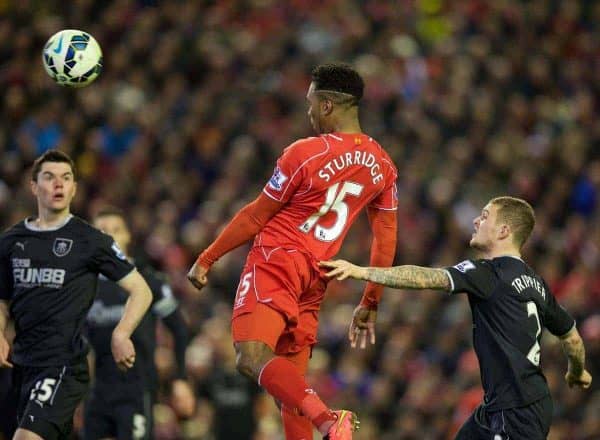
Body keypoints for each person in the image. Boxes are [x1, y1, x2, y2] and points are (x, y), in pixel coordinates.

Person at [187, 63, 398, 440]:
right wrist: (371, 301)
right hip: (316, 277)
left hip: (277, 260)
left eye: (311, 104)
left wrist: (207, 257)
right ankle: (322, 422)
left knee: (251, 357)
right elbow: (385, 240)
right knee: (292, 391)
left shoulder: (303, 153)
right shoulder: (383, 166)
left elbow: (256, 215)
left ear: (328, 105)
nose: (309, 113)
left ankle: (330, 421)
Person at [321, 196, 593, 439]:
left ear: (504, 231)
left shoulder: (489, 273)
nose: (476, 220)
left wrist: (362, 272)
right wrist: (577, 371)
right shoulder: (538, 284)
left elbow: (427, 277)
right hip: (503, 405)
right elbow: (571, 337)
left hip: (517, 411)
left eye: (485, 216)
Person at [0, 150, 153, 440]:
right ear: (33, 187)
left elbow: (141, 290)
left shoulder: (91, 241)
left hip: (63, 366)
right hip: (20, 366)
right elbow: (2, 300)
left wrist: (121, 333)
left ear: (74, 189)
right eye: (49, 177)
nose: (58, 184)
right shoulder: (10, 241)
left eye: (66, 178)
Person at [84, 207, 196, 440]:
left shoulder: (147, 280)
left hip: (136, 388)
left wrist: (181, 379)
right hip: (96, 391)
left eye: (116, 230)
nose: (109, 236)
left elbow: (179, 329)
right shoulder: (84, 285)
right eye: (102, 231)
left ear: (128, 236)